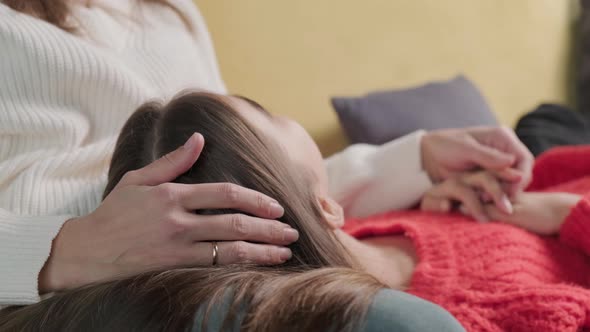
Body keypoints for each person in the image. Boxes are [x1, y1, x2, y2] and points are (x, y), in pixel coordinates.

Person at [0, 0, 533, 307]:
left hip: (241, 275)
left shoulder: (167, 11)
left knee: (547, 131)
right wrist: (63, 250)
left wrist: (413, 160)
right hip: (86, 305)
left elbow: (251, 184)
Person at [1, 92, 585, 331]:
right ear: (322, 201)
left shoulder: (374, 223)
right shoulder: (492, 307)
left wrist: (426, 177)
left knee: (546, 123)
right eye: (272, 114)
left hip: (543, 174)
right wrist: (560, 212)